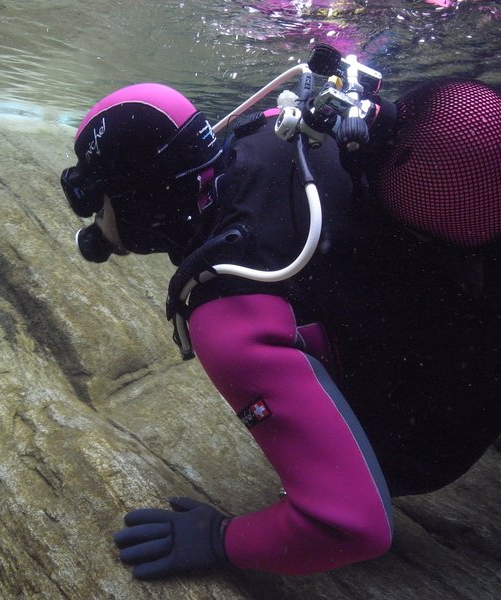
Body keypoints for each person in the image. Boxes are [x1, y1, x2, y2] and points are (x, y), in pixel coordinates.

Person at [60, 64, 501, 580]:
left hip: (431, 444)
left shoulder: (229, 316)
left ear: (135, 202)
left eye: (94, 199)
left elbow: (354, 527)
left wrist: (221, 541)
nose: (93, 219)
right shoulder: (281, 126)